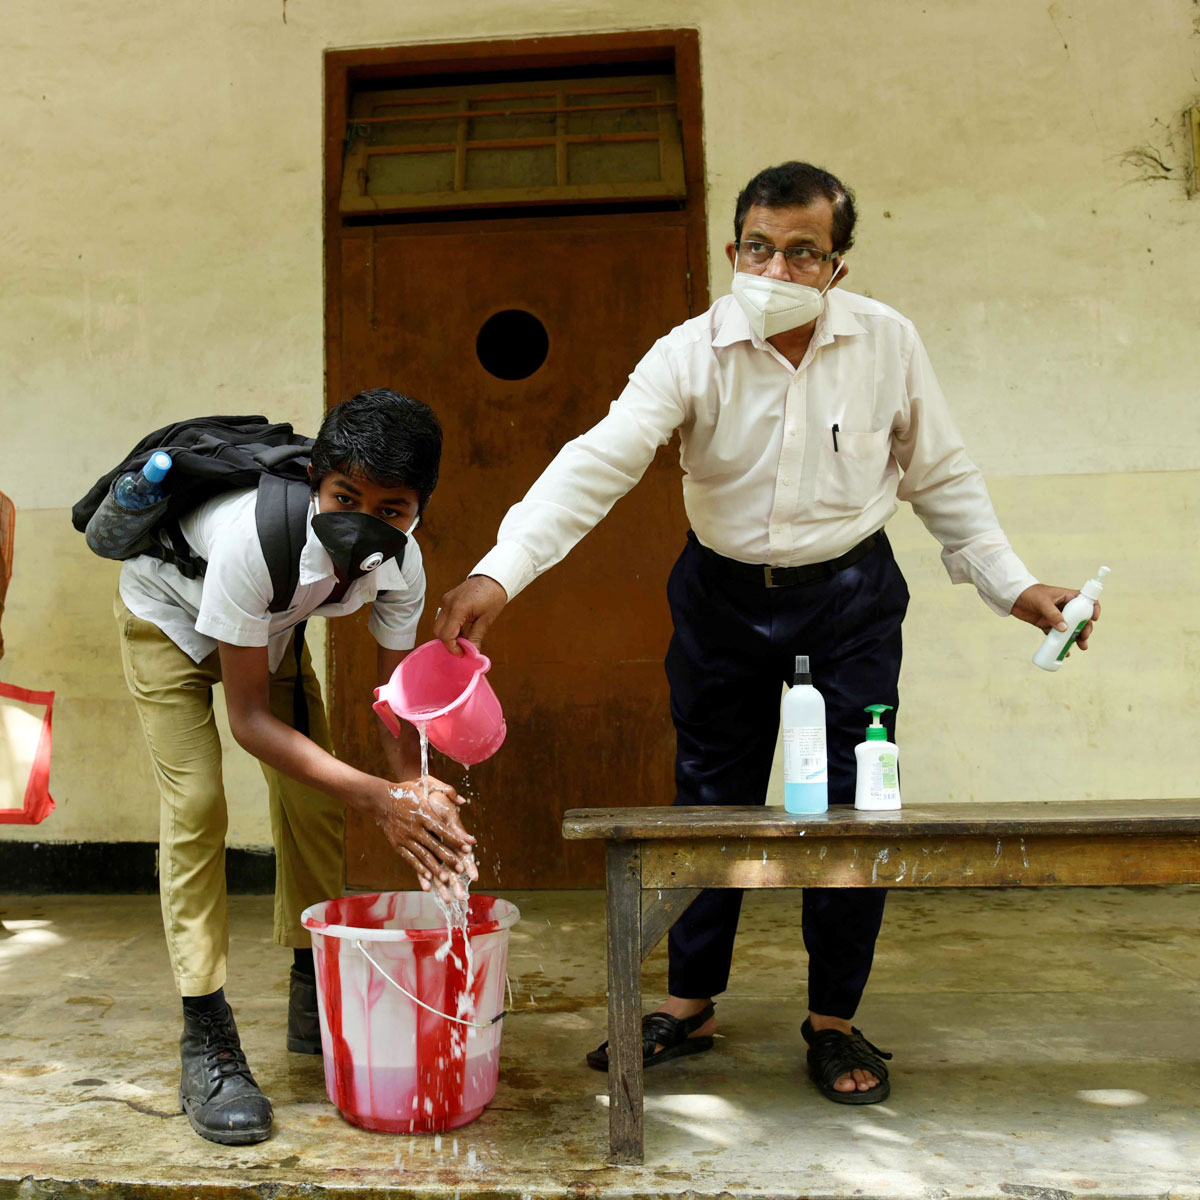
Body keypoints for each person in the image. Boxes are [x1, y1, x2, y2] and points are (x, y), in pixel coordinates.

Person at [432, 162, 1099, 1105]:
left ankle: (833, 1019)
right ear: (731, 248)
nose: (775, 269)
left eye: (802, 252)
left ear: (838, 264)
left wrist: (1014, 584)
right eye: (758, 247)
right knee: (712, 792)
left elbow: (940, 478)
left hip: (853, 595)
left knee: (857, 801)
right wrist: (503, 569)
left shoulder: (888, 344)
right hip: (722, 599)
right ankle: (691, 1000)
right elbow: (598, 464)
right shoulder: (689, 352)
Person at [112, 388, 476, 1145]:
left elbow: (393, 705)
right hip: (168, 620)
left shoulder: (400, 564)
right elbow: (249, 722)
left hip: (264, 631)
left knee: (315, 802)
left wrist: (412, 785)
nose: (364, 521)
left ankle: (315, 980)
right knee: (198, 806)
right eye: (346, 496)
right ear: (317, 479)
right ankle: (206, 1031)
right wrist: (380, 798)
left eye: (392, 508)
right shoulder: (258, 539)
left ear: (420, 508)